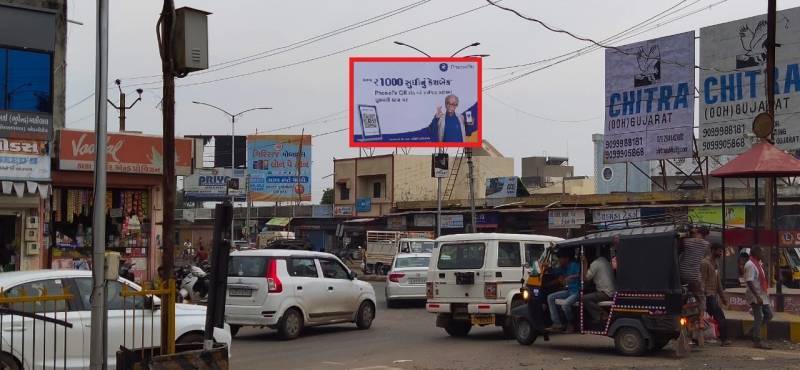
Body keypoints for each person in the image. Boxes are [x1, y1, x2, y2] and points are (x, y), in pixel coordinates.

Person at [702, 243, 731, 346]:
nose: (720, 253)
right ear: (712, 250)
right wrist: (703, 297)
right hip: (708, 296)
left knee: (711, 318)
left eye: (721, 251)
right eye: (719, 251)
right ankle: (724, 339)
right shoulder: (705, 263)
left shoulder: (716, 264)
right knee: (720, 317)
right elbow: (702, 281)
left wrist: (723, 297)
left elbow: (718, 283)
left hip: (713, 296)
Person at [744, 246, 772, 349]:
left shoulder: (758, 264)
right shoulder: (750, 264)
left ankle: (752, 332)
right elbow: (749, 281)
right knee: (759, 317)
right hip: (755, 294)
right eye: (762, 252)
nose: (763, 254)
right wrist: (757, 296)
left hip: (761, 294)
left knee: (769, 315)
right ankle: (757, 340)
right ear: (756, 253)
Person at [546, 250, 581, 332]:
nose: (559, 261)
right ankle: (557, 323)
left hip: (576, 292)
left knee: (565, 305)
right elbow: (554, 271)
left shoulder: (574, 265)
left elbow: (581, 274)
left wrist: (571, 277)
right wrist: (547, 268)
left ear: (566, 259)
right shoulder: (563, 268)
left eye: (560, 259)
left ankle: (572, 323)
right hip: (568, 291)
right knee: (550, 297)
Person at [680, 226, 710, 315]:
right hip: (694, 276)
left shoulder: (687, 241)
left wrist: (690, 233)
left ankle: (681, 306)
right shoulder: (706, 244)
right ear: (706, 235)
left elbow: (681, 241)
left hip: (682, 274)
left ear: (697, 231)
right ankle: (700, 322)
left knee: (681, 294)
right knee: (701, 298)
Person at [581, 248, 616, 323]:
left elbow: (585, 278)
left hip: (606, 293)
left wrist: (585, 263)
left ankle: (603, 315)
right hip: (612, 291)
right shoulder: (606, 261)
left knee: (584, 298)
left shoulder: (595, 264)